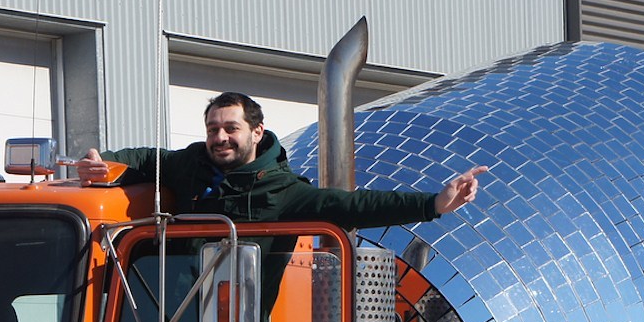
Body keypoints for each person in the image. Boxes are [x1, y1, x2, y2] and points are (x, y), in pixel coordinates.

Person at [74, 91, 486, 225]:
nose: (220, 138)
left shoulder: (284, 192)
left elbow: (354, 205)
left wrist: (433, 204)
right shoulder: (190, 164)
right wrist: (103, 161)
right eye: (213, 129)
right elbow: (146, 158)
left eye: (230, 129)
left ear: (256, 132)